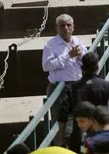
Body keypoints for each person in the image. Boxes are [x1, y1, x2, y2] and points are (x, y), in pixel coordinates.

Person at [42, 13, 88, 146]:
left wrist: (80, 55)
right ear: (57, 28)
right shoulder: (51, 44)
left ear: (73, 27)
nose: (66, 28)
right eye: (62, 26)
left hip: (77, 86)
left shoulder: (77, 41)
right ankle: (60, 148)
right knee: (59, 123)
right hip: (59, 88)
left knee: (79, 120)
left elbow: (87, 60)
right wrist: (68, 56)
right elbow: (46, 66)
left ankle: (77, 147)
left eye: (69, 25)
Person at [62, 52, 109, 152]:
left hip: (78, 137)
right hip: (103, 137)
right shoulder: (107, 86)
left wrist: (61, 138)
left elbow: (63, 114)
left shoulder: (72, 88)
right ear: (97, 67)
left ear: (82, 68)